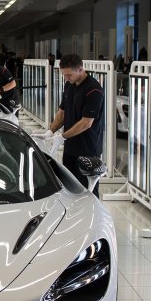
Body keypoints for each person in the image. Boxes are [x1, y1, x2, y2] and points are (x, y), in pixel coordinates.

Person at [47, 53, 105, 197]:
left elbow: (86, 123)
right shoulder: (69, 85)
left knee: (88, 191)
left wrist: (62, 136)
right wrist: (51, 131)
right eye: (64, 75)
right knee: (69, 188)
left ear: (80, 69)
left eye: (69, 75)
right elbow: (62, 112)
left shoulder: (94, 90)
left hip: (87, 150)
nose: (66, 78)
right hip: (70, 148)